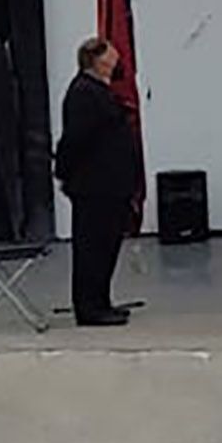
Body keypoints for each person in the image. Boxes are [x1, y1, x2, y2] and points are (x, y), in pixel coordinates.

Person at [55, 37, 139, 326]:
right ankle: (89, 307)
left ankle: (102, 301)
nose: (117, 63)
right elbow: (75, 139)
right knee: (92, 248)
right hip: (94, 186)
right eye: (112, 58)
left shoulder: (100, 92)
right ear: (98, 61)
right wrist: (64, 172)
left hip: (110, 185)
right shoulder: (83, 93)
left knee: (107, 247)